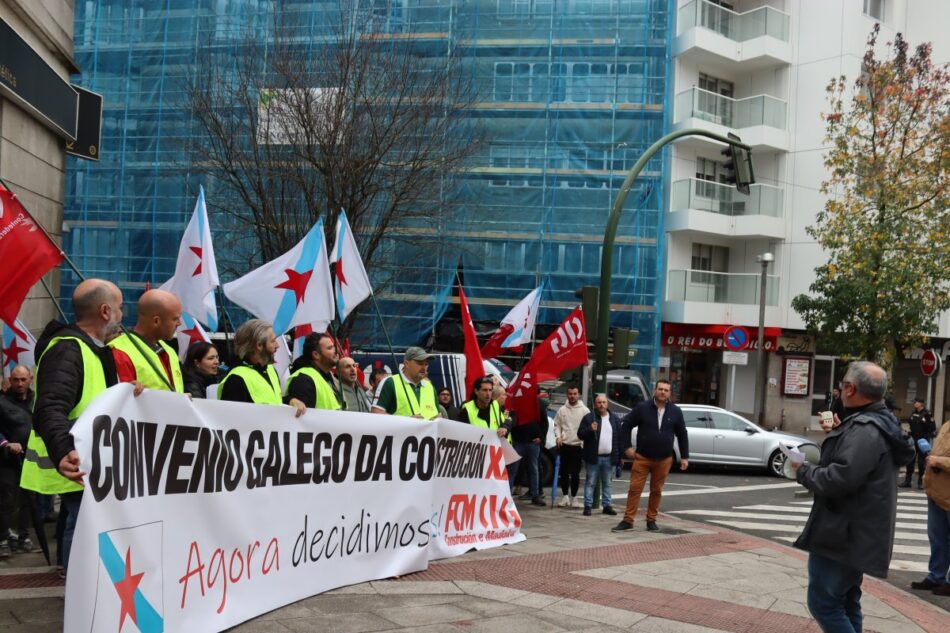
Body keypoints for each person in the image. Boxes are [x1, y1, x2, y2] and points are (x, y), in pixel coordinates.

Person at [792, 361, 914, 632]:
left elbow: (839, 479)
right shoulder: (879, 423)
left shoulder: (865, 430)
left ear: (850, 389)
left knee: (824, 602)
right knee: (845, 600)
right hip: (857, 532)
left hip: (843, 532)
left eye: (844, 383)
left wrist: (803, 470)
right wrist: (839, 434)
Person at [21, 279, 124, 574]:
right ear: (105, 311)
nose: (122, 314)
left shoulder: (90, 350)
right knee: (81, 530)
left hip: (85, 463)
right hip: (75, 462)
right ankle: (78, 598)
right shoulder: (68, 349)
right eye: (119, 307)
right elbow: (50, 406)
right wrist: (63, 449)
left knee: (81, 527)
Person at [612, 379, 689, 532]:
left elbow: (682, 434)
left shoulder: (675, 411)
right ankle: (628, 520)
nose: (663, 392)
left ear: (670, 393)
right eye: (660, 389)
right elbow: (626, 425)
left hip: (664, 459)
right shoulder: (642, 408)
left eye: (666, 390)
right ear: (655, 390)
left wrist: (685, 456)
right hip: (642, 457)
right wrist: (627, 447)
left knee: (656, 491)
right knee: (634, 489)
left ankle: (651, 520)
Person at [218, 319, 305, 416]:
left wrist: (290, 400)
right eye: (273, 341)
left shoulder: (270, 369)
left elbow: (274, 402)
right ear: (259, 345)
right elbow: (230, 420)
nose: (277, 345)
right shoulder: (236, 379)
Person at [109, 289, 184, 392]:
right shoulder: (119, 352)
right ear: (156, 321)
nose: (179, 323)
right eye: (175, 319)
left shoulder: (169, 350)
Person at [911, 412, 950, 596]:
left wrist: (939, 461)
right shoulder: (947, 425)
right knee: (937, 538)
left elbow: (941, 457)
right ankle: (937, 576)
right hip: (936, 492)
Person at [0, 365, 38, 555]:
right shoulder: (2, 402)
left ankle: (24, 537)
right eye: (15, 380)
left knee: (29, 499)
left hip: (32, 458)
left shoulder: (37, 401)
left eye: (23, 379)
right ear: (10, 380)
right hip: (7, 459)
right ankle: (5, 539)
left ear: (30, 379)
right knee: (7, 499)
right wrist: (6, 443)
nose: (20, 384)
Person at [577, 394, 622, 517]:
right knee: (590, 482)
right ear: (595, 404)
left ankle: (607, 505)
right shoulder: (589, 418)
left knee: (607, 483)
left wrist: (619, 457)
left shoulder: (615, 419)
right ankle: (588, 506)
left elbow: (619, 439)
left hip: (609, 457)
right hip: (593, 457)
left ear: (607, 404)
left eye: (604, 402)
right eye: (599, 402)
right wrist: (590, 430)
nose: (601, 405)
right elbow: (580, 434)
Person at [372, 347, 440, 420]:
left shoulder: (430, 387)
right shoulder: (390, 382)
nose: (424, 367)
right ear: (406, 364)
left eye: (426, 364)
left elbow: (438, 416)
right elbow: (376, 413)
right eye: (420, 363)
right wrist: (406, 421)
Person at [285, 332, 341, 410]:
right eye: (330, 348)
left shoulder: (327, 376)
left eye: (334, 347)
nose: (336, 351)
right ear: (316, 355)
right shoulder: (303, 379)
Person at [554, 384, 588, 508]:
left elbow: (588, 427)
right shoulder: (562, 410)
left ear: (578, 395)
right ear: (567, 395)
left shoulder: (585, 410)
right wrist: (558, 436)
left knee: (575, 474)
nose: (572, 396)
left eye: (574, 394)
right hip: (565, 445)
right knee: (563, 473)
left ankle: (574, 497)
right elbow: (557, 425)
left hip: (578, 446)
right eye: (570, 394)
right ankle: (564, 497)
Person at [902, 397, 936, 489]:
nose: (914, 403)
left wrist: (927, 432)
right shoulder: (914, 412)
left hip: (923, 439)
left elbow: (932, 428)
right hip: (913, 438)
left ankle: (921, 482)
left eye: (916, 402)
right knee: (910, 460)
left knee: (921, 462)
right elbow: (911, 423)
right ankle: (907, 481)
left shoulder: (927, 414)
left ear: (921, 403)